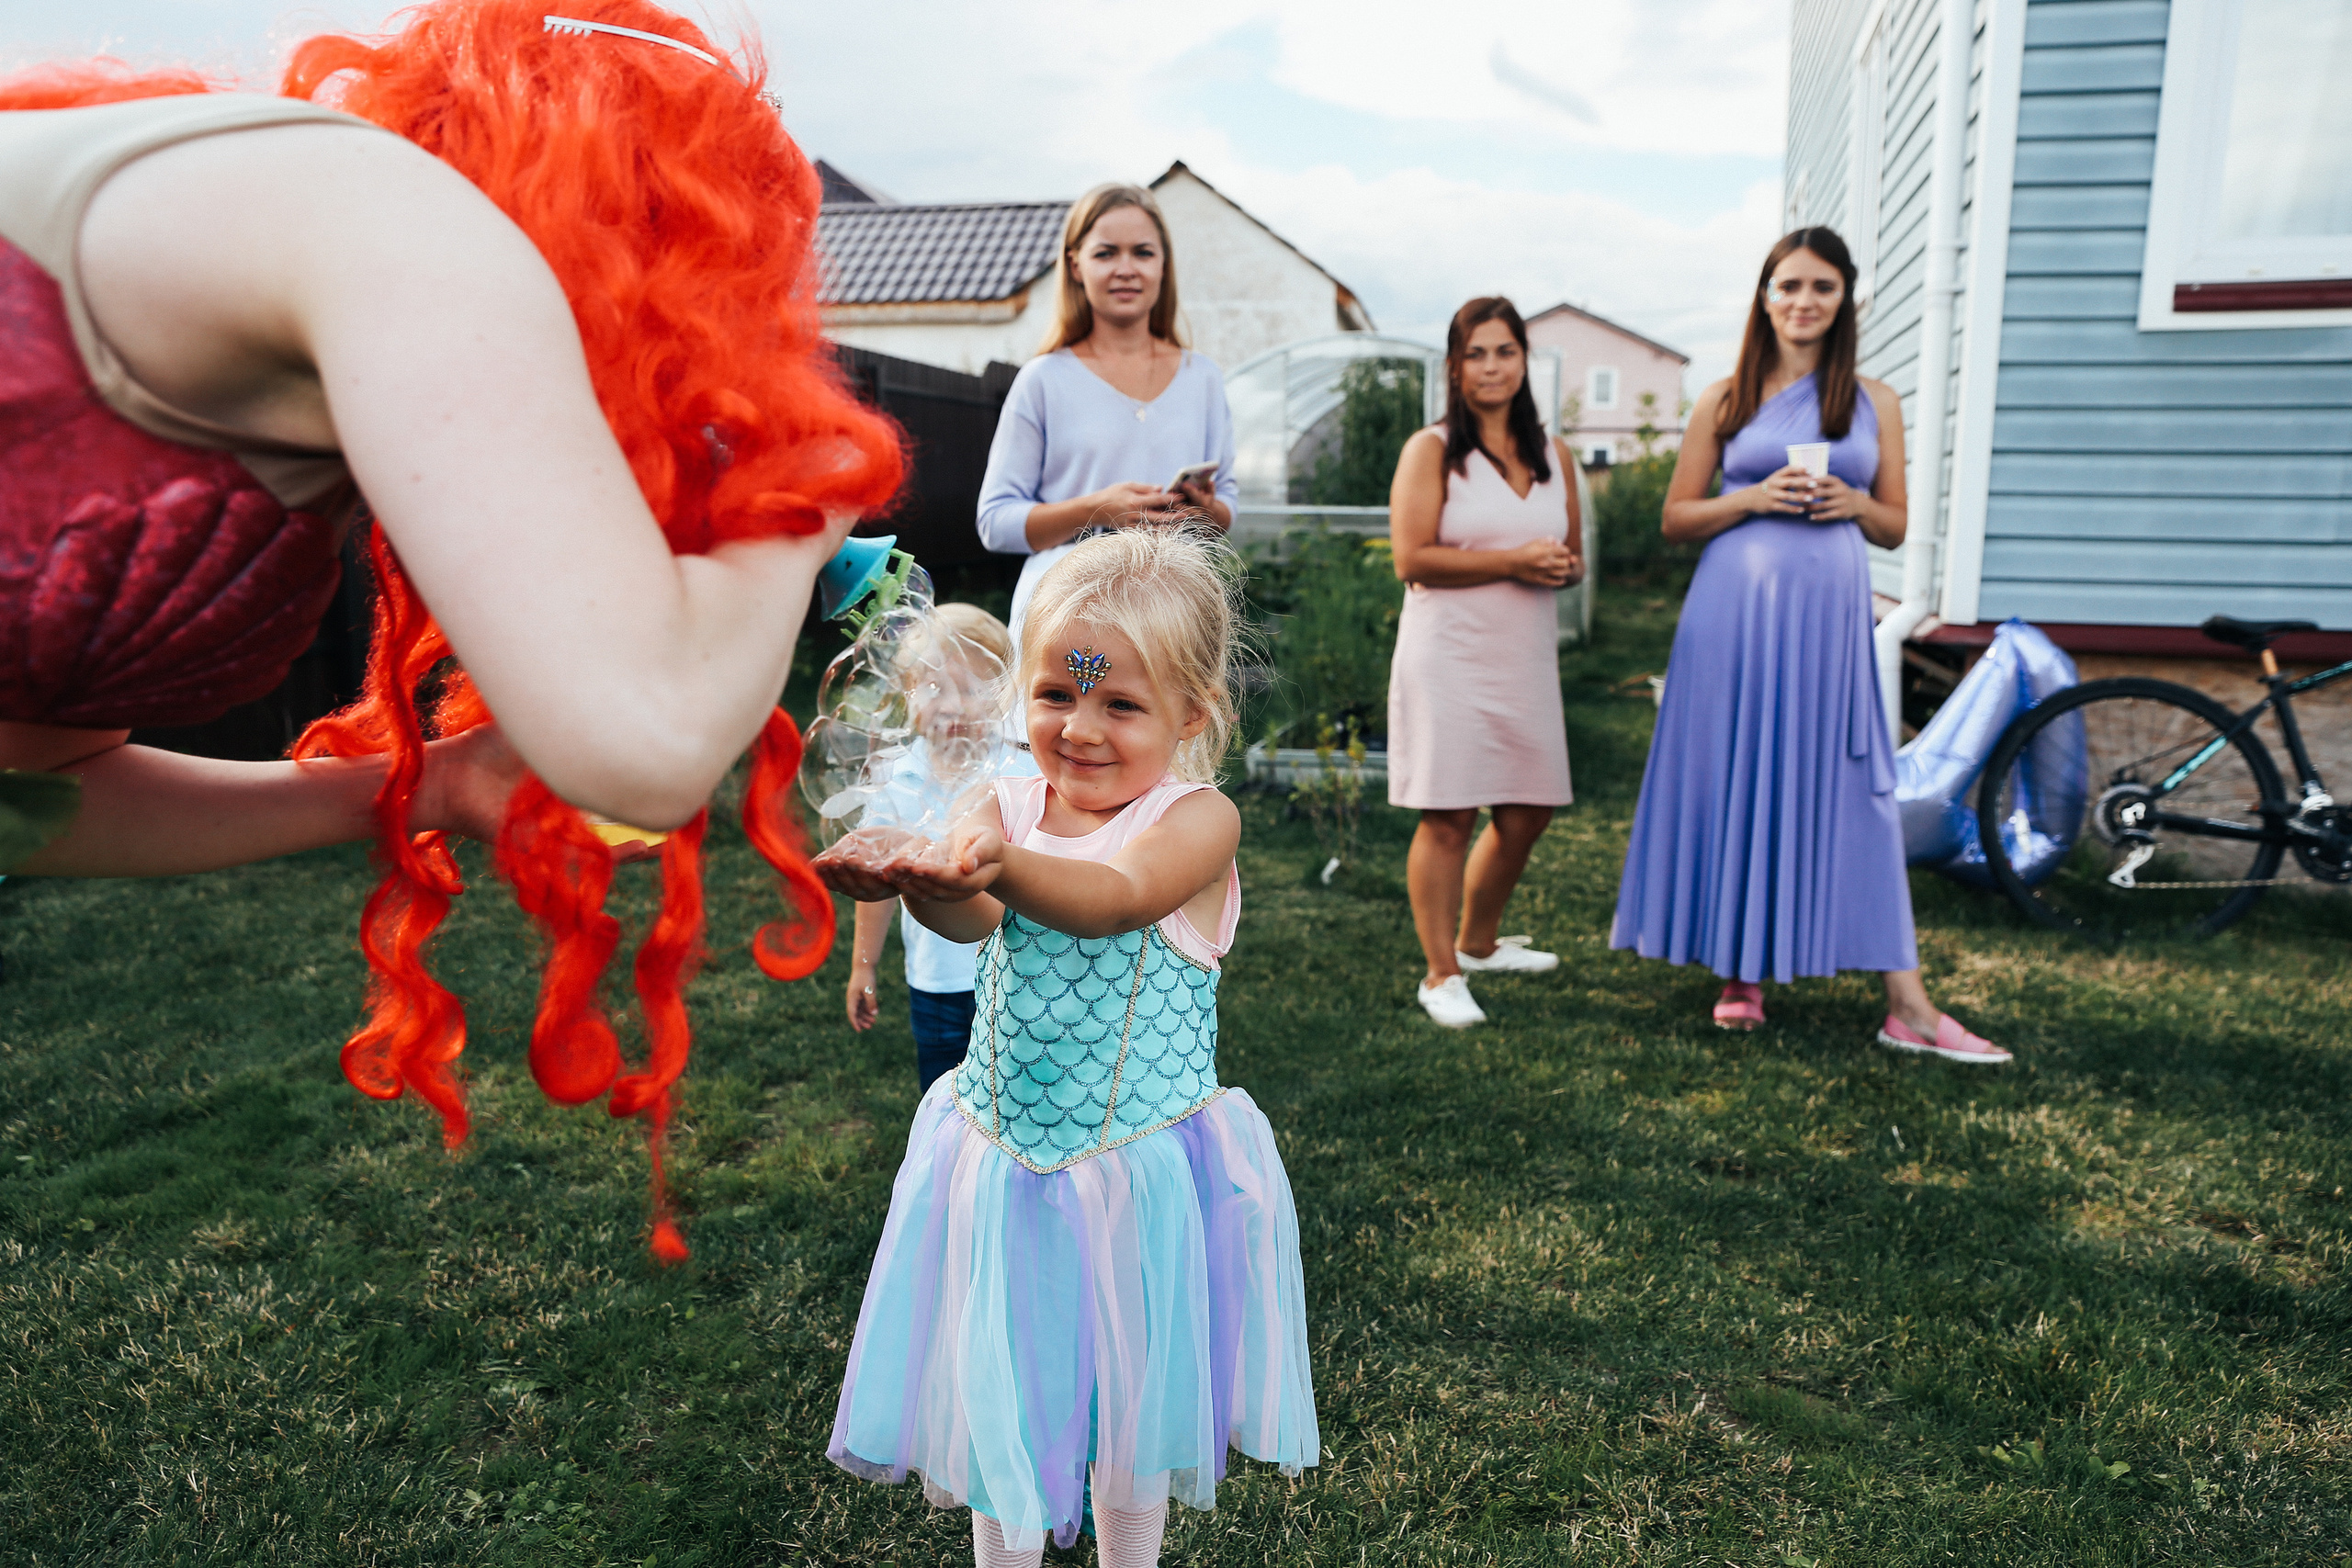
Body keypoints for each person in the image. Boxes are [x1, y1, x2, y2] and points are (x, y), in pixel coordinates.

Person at [0, 0, 907, 1256]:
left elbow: (37, 797)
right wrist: (804, 497)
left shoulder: (296, 353)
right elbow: (643, 742)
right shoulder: (392, 217)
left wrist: (430, 786)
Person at [814, 527, 1317, 1568]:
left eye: (1119, 703)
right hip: (1001, 1163)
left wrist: (992, 862)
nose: (1079, 728)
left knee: (1133, 1415)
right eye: (1055, 694)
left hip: (1137, 1177)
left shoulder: (1196, 821)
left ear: (1193, 713)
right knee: (1002, 1385)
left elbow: (1113, 901)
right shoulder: (1000, 805)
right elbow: (973, 927)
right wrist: (926, 882)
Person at [1611, 227, 2009, 1065]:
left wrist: (1850, 503)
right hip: (1733, 617)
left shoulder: (1874, 399)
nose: (1803, 301)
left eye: (1821, 287)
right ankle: (1740, 972)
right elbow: (1677, 517)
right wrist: (1752, 496)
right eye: (1789, 285)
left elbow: (1897, 521)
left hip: (1828, 623)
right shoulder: (1726, 397)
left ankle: (1907, 1003)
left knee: (1851, 784)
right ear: (1765, 297)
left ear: (1843, 300)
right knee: (1737, 775)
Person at [1385, 298, 1583, 1029]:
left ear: (1524, 360)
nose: (1493, 366)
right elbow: (1413, 559)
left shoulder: (1554, 454)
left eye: (1505, 351)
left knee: (1529, 810)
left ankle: (1479, 941)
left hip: (1524, 655)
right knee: (1449, 812)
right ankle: (1440, 973)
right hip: (1451, 653)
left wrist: (1559, 568)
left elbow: (1575, 558)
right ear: (1454, 366)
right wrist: (1514, 560)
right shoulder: (1432, 448)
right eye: (1477, 354)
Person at [975, 183, 1238, 644]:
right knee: (1069, 718)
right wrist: (1101, 509)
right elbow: (995, 522)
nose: (1125, 269)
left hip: (1171, 613)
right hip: (1065, 612)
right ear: (1075, 265)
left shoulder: (1204, 379)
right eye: (1106, 253)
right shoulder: (1043, 380)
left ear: (1163, 265)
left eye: (1142, 252)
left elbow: (1227, 511)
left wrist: (1203, 506)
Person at [842, 602, 1014, 1092]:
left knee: (1019, 1096)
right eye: (935, 687)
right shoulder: (894, 775)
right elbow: (876, 883)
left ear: (1004, 694)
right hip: (935, 980)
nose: (954, 706)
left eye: (974, 688)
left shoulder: (1023, 773)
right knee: (945, 1100)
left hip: (1017, 975)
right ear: (907, 698)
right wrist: (864, 967)